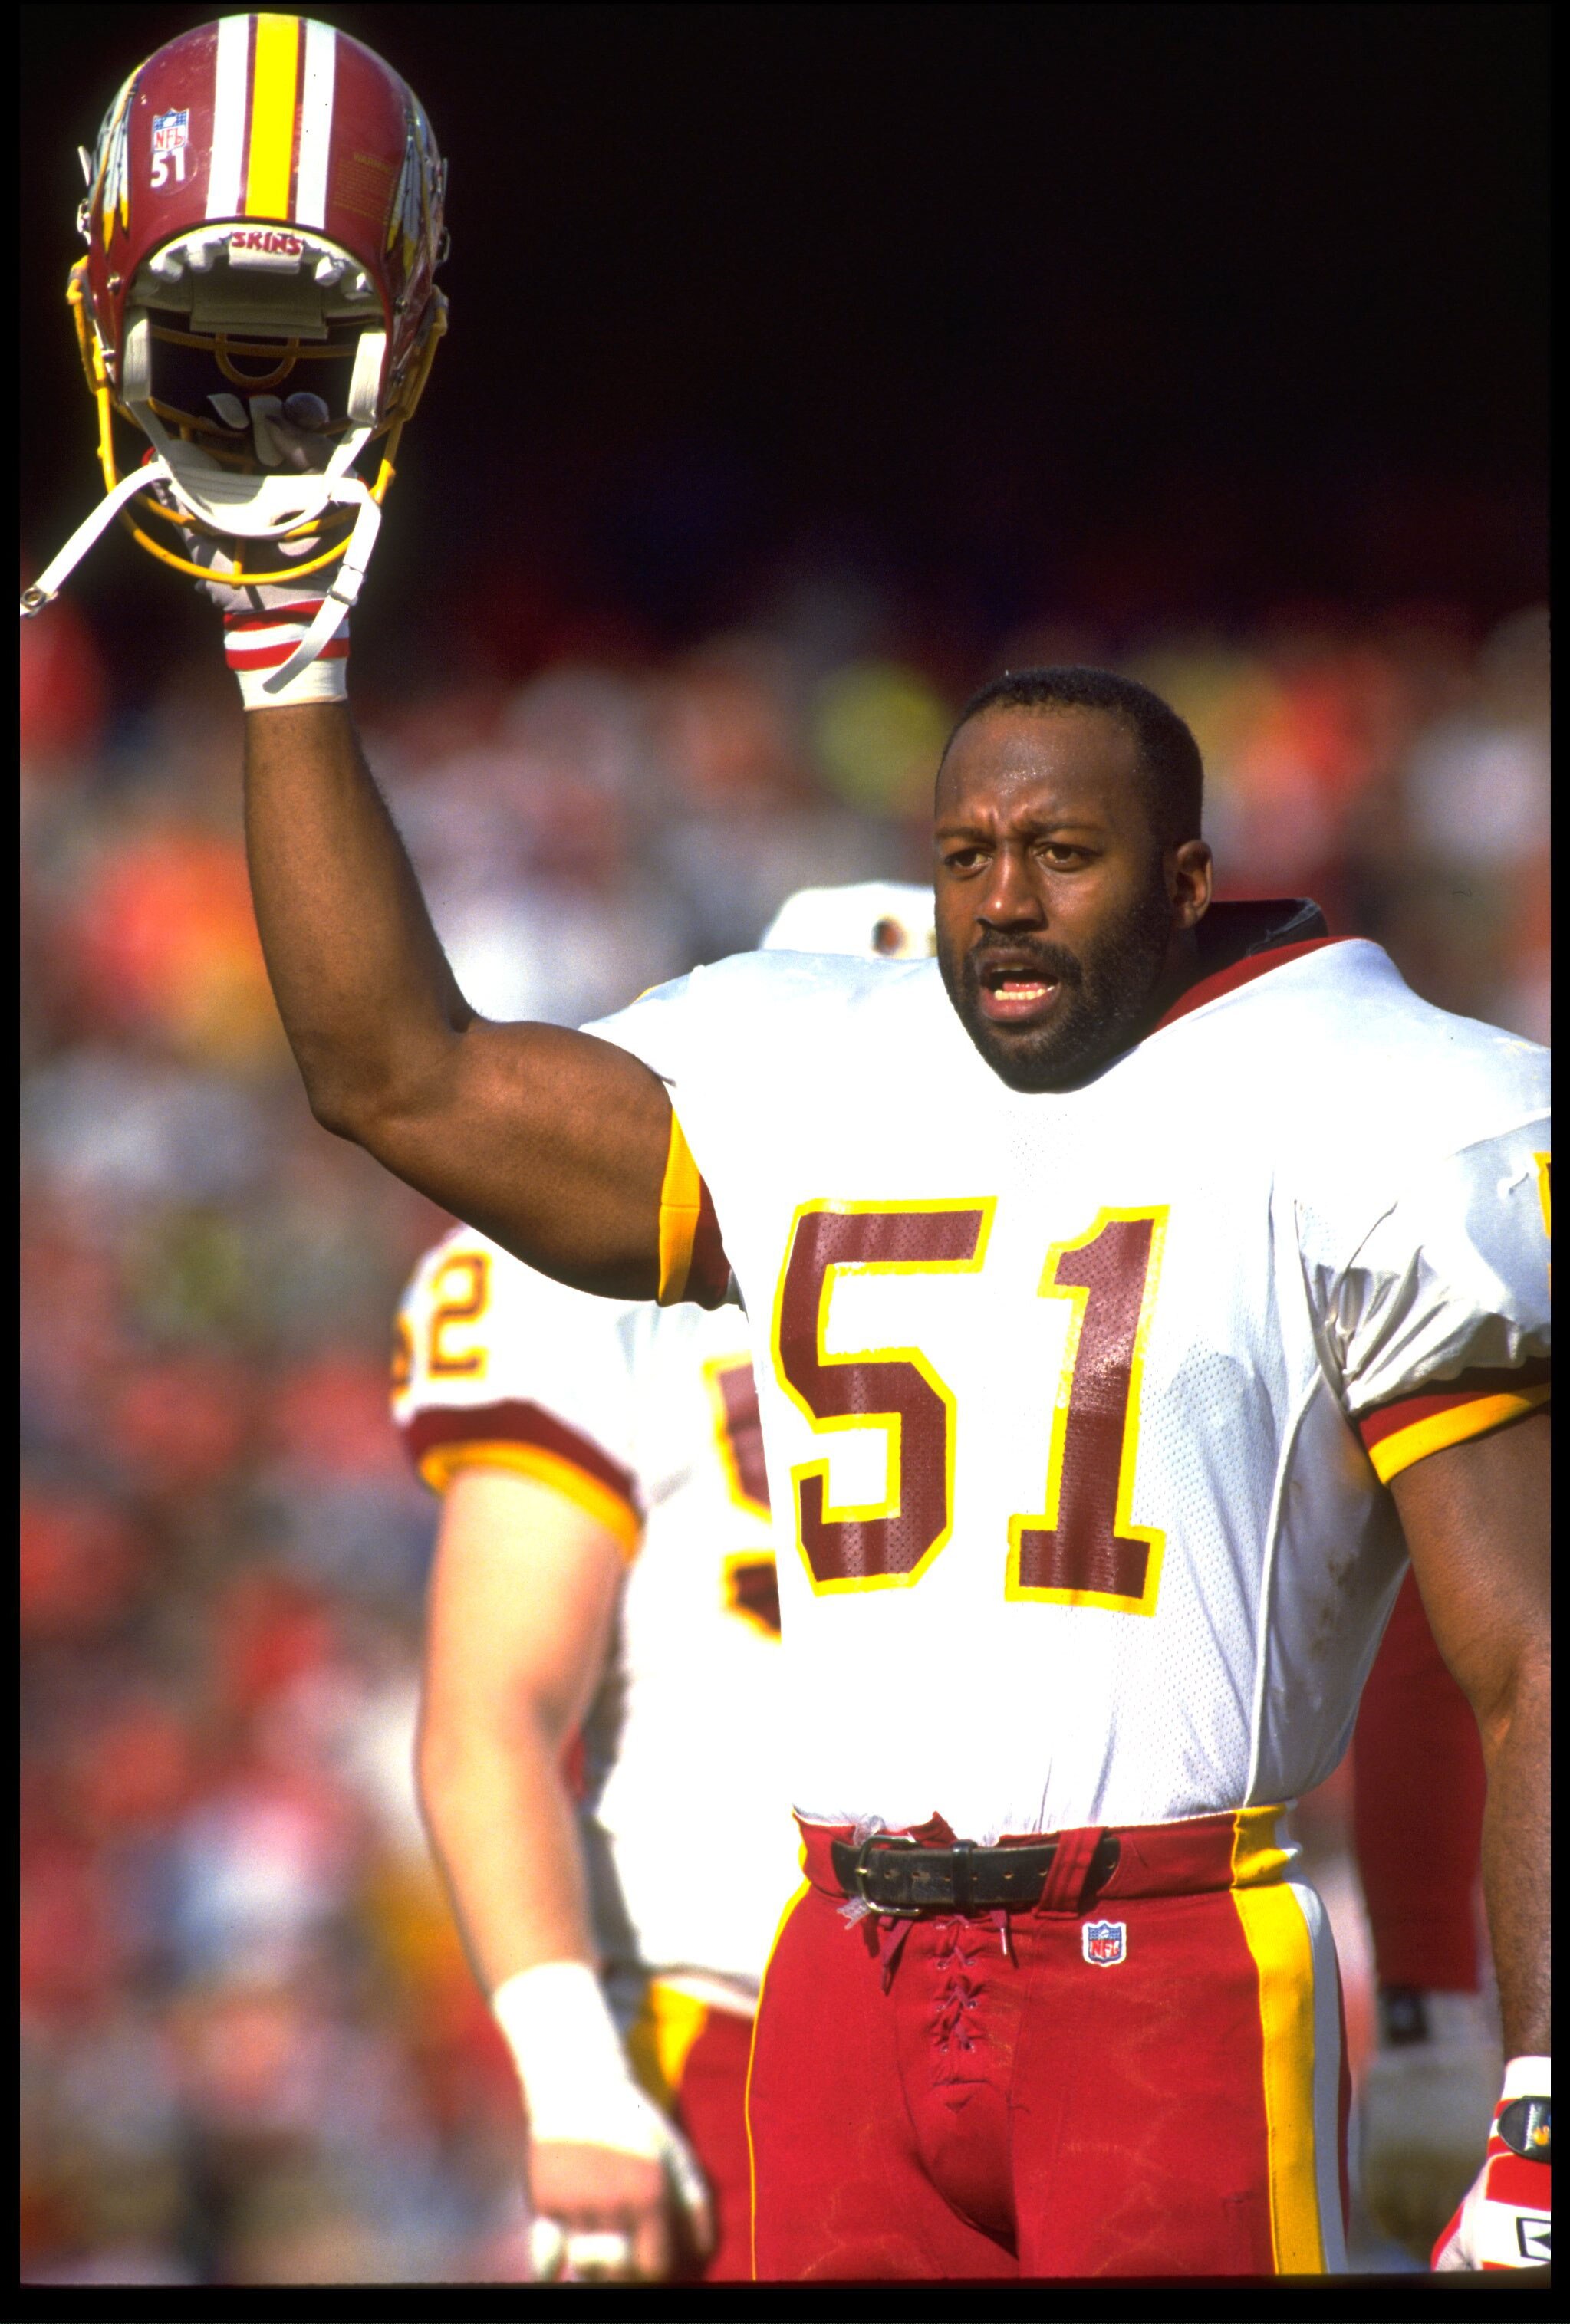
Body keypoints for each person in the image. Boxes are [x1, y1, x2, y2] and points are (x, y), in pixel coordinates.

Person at [392, 884, 935, 2284]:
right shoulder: (592, 1277)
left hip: (1040, 1990)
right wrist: (575, 2079)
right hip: (736, 2010)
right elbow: (490, 1709)